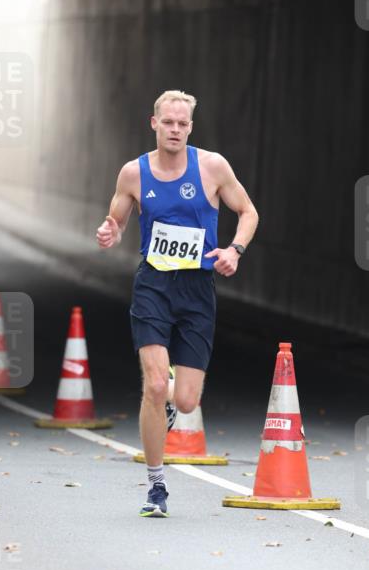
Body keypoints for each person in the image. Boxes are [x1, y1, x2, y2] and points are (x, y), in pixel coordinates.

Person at [96, 90, 259, 517]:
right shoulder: (133, 173)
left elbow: (248, 212)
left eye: (182, 124)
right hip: (153, 284)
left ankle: (167, 399)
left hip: (197, 289)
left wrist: (234, 250)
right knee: (153, 385)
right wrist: (110, 230)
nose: (175, 130)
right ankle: (156, 486)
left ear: (191, 126)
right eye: (168, 122)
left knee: (185, 401)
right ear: (154, 124)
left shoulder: (212, 167)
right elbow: (116, 217)